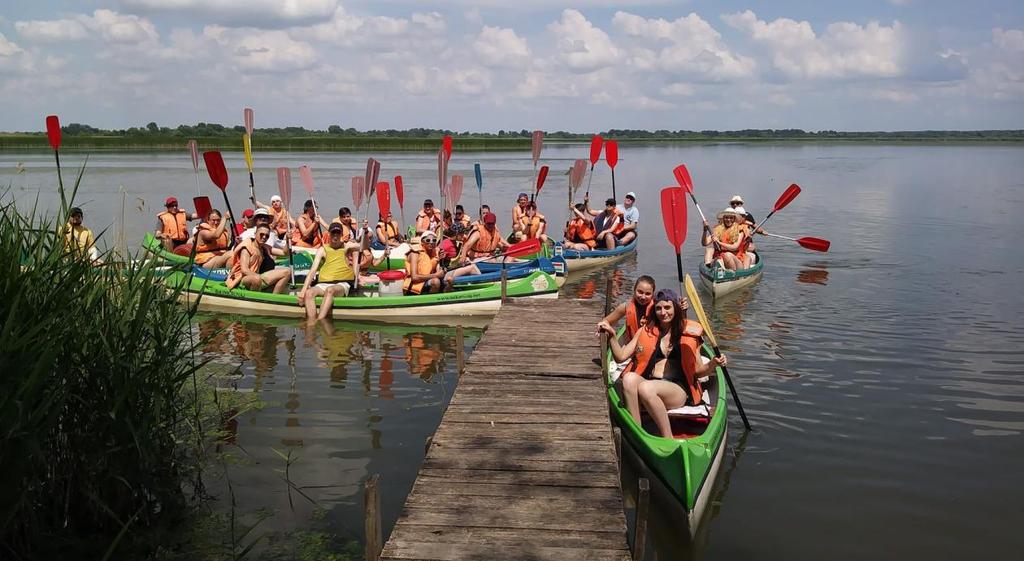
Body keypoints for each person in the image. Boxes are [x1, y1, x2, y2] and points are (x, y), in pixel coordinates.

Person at [599, 289, 726, 438]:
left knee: (646, 387)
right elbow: (620, 357)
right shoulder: (645, 330)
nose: (663, 312)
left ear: (675, 309)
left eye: (667, 307)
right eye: (658, 308)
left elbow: (698, 372)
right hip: (649, 384)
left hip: (676, 390)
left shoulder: (688, 335)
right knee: (628, 378)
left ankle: (668, 437)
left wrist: (712, 364)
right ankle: (637, 433)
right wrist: (612, 336)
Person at [297, 222, 361, 322]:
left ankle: (320, 321)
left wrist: (365, 231)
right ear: (329, 234)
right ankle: (311, 323)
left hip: (342, 283)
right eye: (333, 233)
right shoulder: (322, 249)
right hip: (324, 283)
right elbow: (313, 270)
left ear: (341, 235)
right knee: (309, 293)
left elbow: (364, 246)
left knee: (330, 290)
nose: (335, 235)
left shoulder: (347, 246)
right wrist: (303, 291)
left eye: (338, 233)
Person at [226, 225, 291, 293]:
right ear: (255, 234)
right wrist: (258, 277)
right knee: (256, 279)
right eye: (261, 234)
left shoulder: (265, 247)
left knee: (287, 272)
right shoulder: (246, 248)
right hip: (243, 279)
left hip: (257, 277)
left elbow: (284, 253)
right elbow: (244, 270)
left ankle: (274, 298)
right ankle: (255, 299)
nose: (264, 237)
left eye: (267, 236)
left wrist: (287, 240)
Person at [596, 275, 656, 342]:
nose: (643, 297)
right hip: (630, 342)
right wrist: (603, 329)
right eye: (640, 292)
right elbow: (606, 321)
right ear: (634, 290)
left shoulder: (657, 309)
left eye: (648, 294)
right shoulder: (625, 306)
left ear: (653, 294)